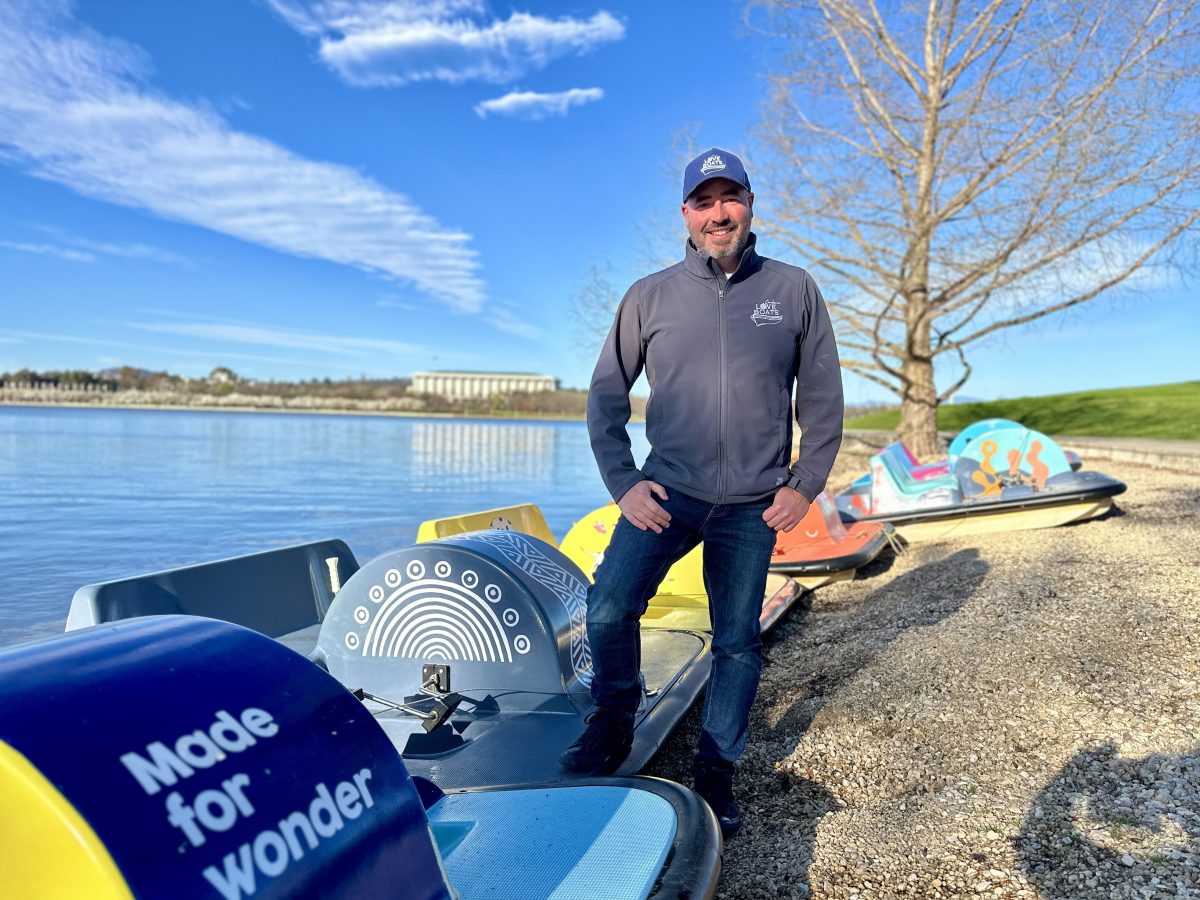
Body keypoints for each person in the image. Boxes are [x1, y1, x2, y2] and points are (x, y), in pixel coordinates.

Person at [559, 148, 844, 836]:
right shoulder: (648, 296)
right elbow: (604, 399)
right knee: (607, 608)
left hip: (753, 503)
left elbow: (825, 401)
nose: (719, 214)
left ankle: (716, 774)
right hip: (668, 493)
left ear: (749, 205)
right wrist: (624, 483)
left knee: (738, 643)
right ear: (685, 215)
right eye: (703, 202)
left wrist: (805, 485)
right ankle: (614, 721)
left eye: (730, 198)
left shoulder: (793, 288)